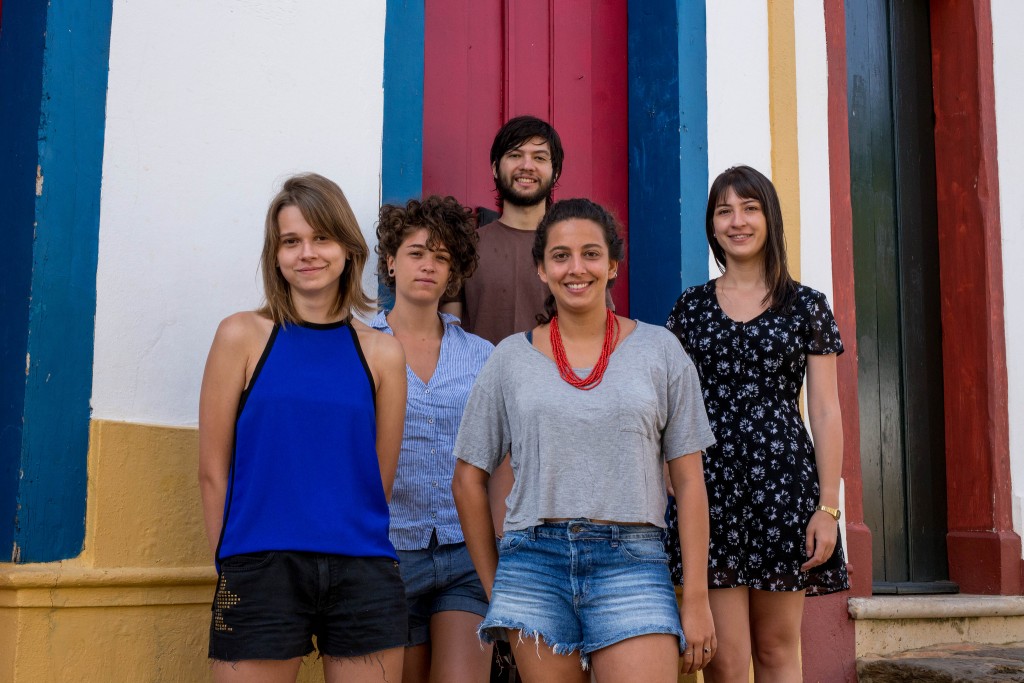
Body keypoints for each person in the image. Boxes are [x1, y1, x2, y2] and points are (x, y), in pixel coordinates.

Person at [452, 198, 718, 682]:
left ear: (613, 264)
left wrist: (696, 598)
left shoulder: (660, 350)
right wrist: (500, 589)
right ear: (541, 268)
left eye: (591, 253)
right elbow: (468, 479)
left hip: (633, 562)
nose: (577, 268)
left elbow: (691, 481)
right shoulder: (510, 359)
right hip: (534, 561)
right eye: (561, 255)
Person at [198, 173, 408, 683]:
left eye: (321, 238)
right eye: (291, 241)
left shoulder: (382, 351)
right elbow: (212, 470)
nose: (306, 253)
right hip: (260, 566)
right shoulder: (241, 335)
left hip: (362, 568)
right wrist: (231, 564)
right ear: (275, 255)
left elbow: (378, 477)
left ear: (347, 248)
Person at [665, 165, 849, 683]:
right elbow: (670, 404)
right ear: (712, 225)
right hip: (710, 490)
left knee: (775, 651)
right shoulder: (691, 307)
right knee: (724, 658)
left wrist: (828, 508)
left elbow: (828, 411)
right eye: (724, 211)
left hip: (783, 491)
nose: (737, 221)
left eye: (749, 208)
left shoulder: (806, 305)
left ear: (770, 217)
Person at [371, 195, 495, 682]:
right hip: (387, 554)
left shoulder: (482, 355)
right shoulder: (360, 345)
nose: (428, 266)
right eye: (417, 252)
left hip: (466, 551)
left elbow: (501, 455)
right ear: (390, 262)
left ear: (453, 273)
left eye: (441, 258)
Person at [442, 114, 564, 344]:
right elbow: (451, 336)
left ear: (555, 172)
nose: (527, 166)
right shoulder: (466, 247)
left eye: (539, 157)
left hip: (557, 379)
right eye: (515, 155)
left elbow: (597, 329)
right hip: (481, 378)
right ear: (496, 168)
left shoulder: (575, 249)